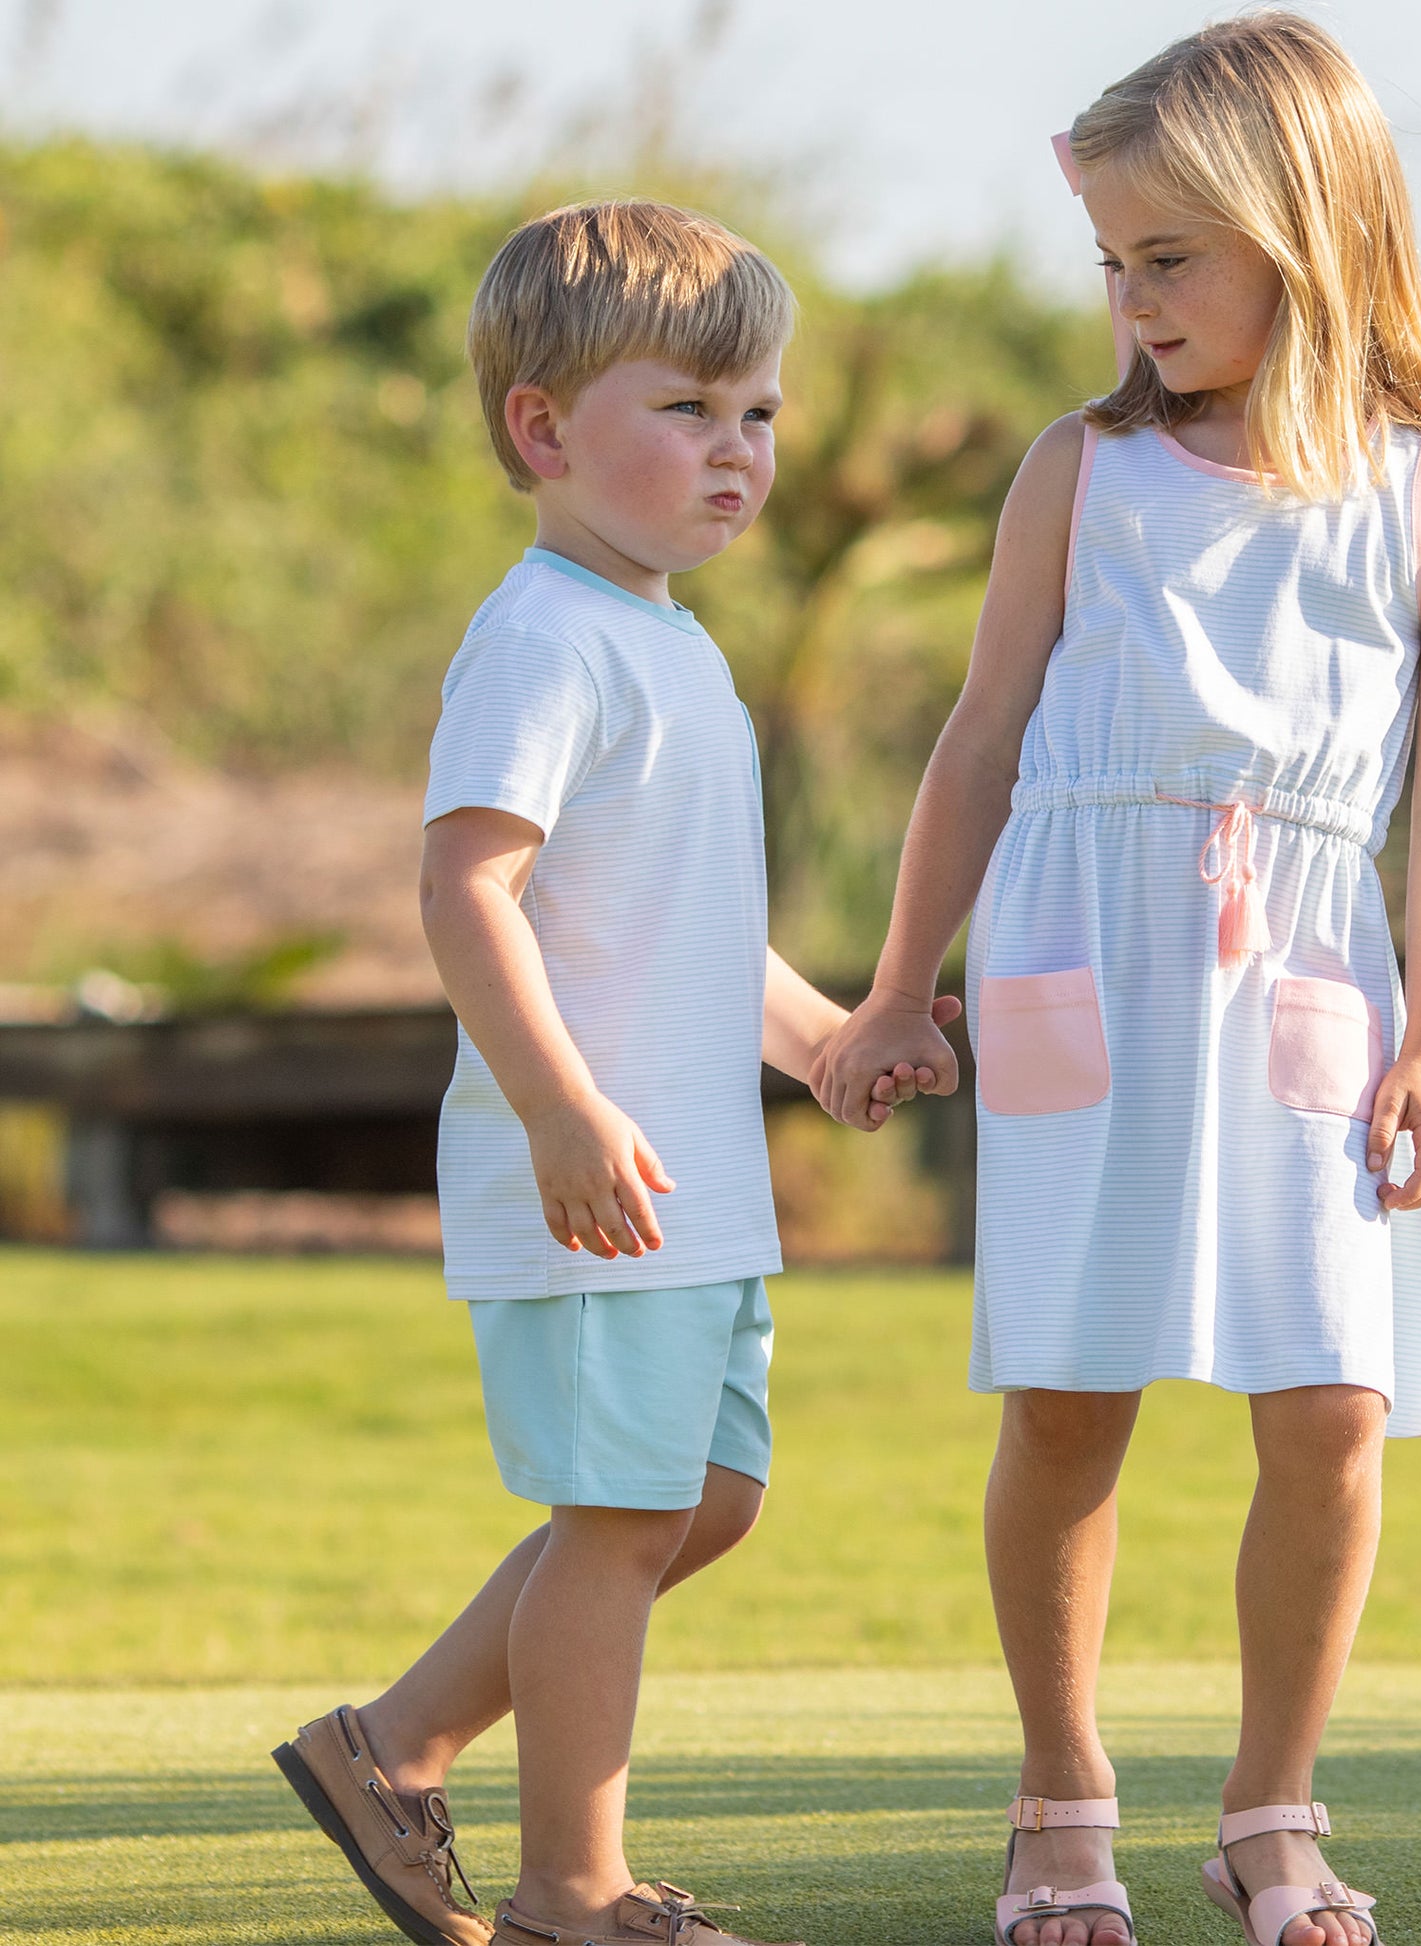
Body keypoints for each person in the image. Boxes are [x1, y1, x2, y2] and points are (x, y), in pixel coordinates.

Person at [814, 19, 1421, 1946]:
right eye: (1109, 266)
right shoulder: (1081, 472)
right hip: (1079, 970)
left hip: (1310, 983)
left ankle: (1270, 1809)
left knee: (1332, 1409)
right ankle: (1062, 1803)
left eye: (1166, 260)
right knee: (1065, 1401)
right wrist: (895, 991)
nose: (1129, 305)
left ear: (1303, 230)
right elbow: (976, 743)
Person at [271, 198, 949, 1946]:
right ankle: (578, 1893)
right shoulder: (546, 637)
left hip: (687, 1184)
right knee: (624, 1511)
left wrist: (823, 1045)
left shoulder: (675, 644)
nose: (738, 453)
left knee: (698, 1502)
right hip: (593, 1175)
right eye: (690, 409)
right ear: (541, 428)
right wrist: (564, 1107)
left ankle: (393, 1744)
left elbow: (692, 936)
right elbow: (463, 884)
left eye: (762, 417)